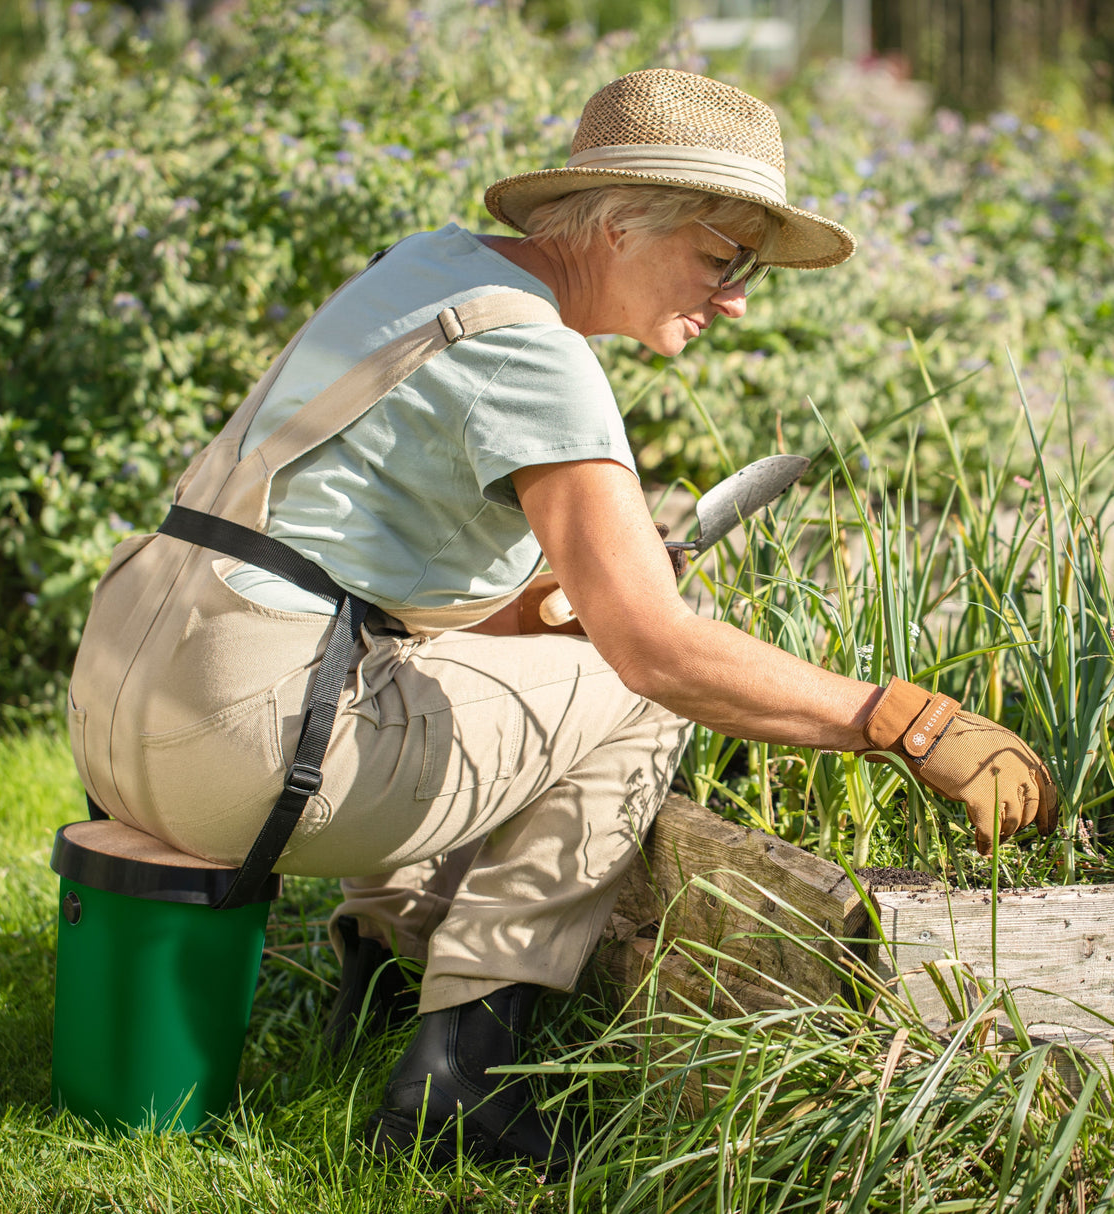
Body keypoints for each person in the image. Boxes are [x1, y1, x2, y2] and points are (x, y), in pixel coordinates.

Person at [67, 68, 1057, 1172]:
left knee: (526, 653)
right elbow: (658, 649)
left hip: (125, 709)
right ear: (623, 221)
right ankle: (462, 1074)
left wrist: (541, 601)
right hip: (245, 762)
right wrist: (903, 721)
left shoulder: (427, 270)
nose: (738, 298)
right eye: (723, 259)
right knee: (639, 692)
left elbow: (347, 554)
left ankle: (381, 976)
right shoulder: (538, 354)